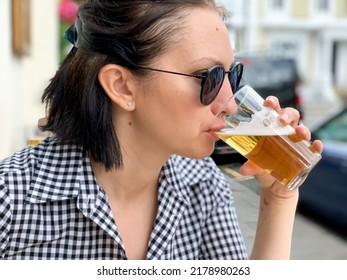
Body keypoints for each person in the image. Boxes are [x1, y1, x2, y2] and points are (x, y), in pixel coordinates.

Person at [0, 0, 322, 260]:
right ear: (122, 87)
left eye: (231, 75)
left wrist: (278, 198)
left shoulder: (202, 184)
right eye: (207, 77)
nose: (229, 102)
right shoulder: (11, 199)